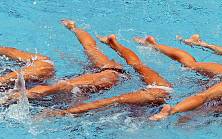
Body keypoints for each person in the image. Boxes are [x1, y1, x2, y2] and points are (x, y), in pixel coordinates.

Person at [0, 19, 124, 105]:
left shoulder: (108, 71)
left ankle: (73, 27)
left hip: (111, 71)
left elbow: (89, 46)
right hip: (111, 74)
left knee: (90, 48)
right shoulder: (111, 77)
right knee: (65, 85)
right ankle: (19, 95)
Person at [42, 34, 173, 117]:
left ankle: (76, 28)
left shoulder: (111, 70)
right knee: (117, 96)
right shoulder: (112, 75)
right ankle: (111, 42)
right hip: (161, 89)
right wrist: (64, 113)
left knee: (135, 64)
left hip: (160, 88)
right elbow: (102, 103)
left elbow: (103, 102)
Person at [134, 36, 222, 121]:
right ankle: (171, 111)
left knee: (192, 67)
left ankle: (154, 45)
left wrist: (202, 44)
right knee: (203, 95)